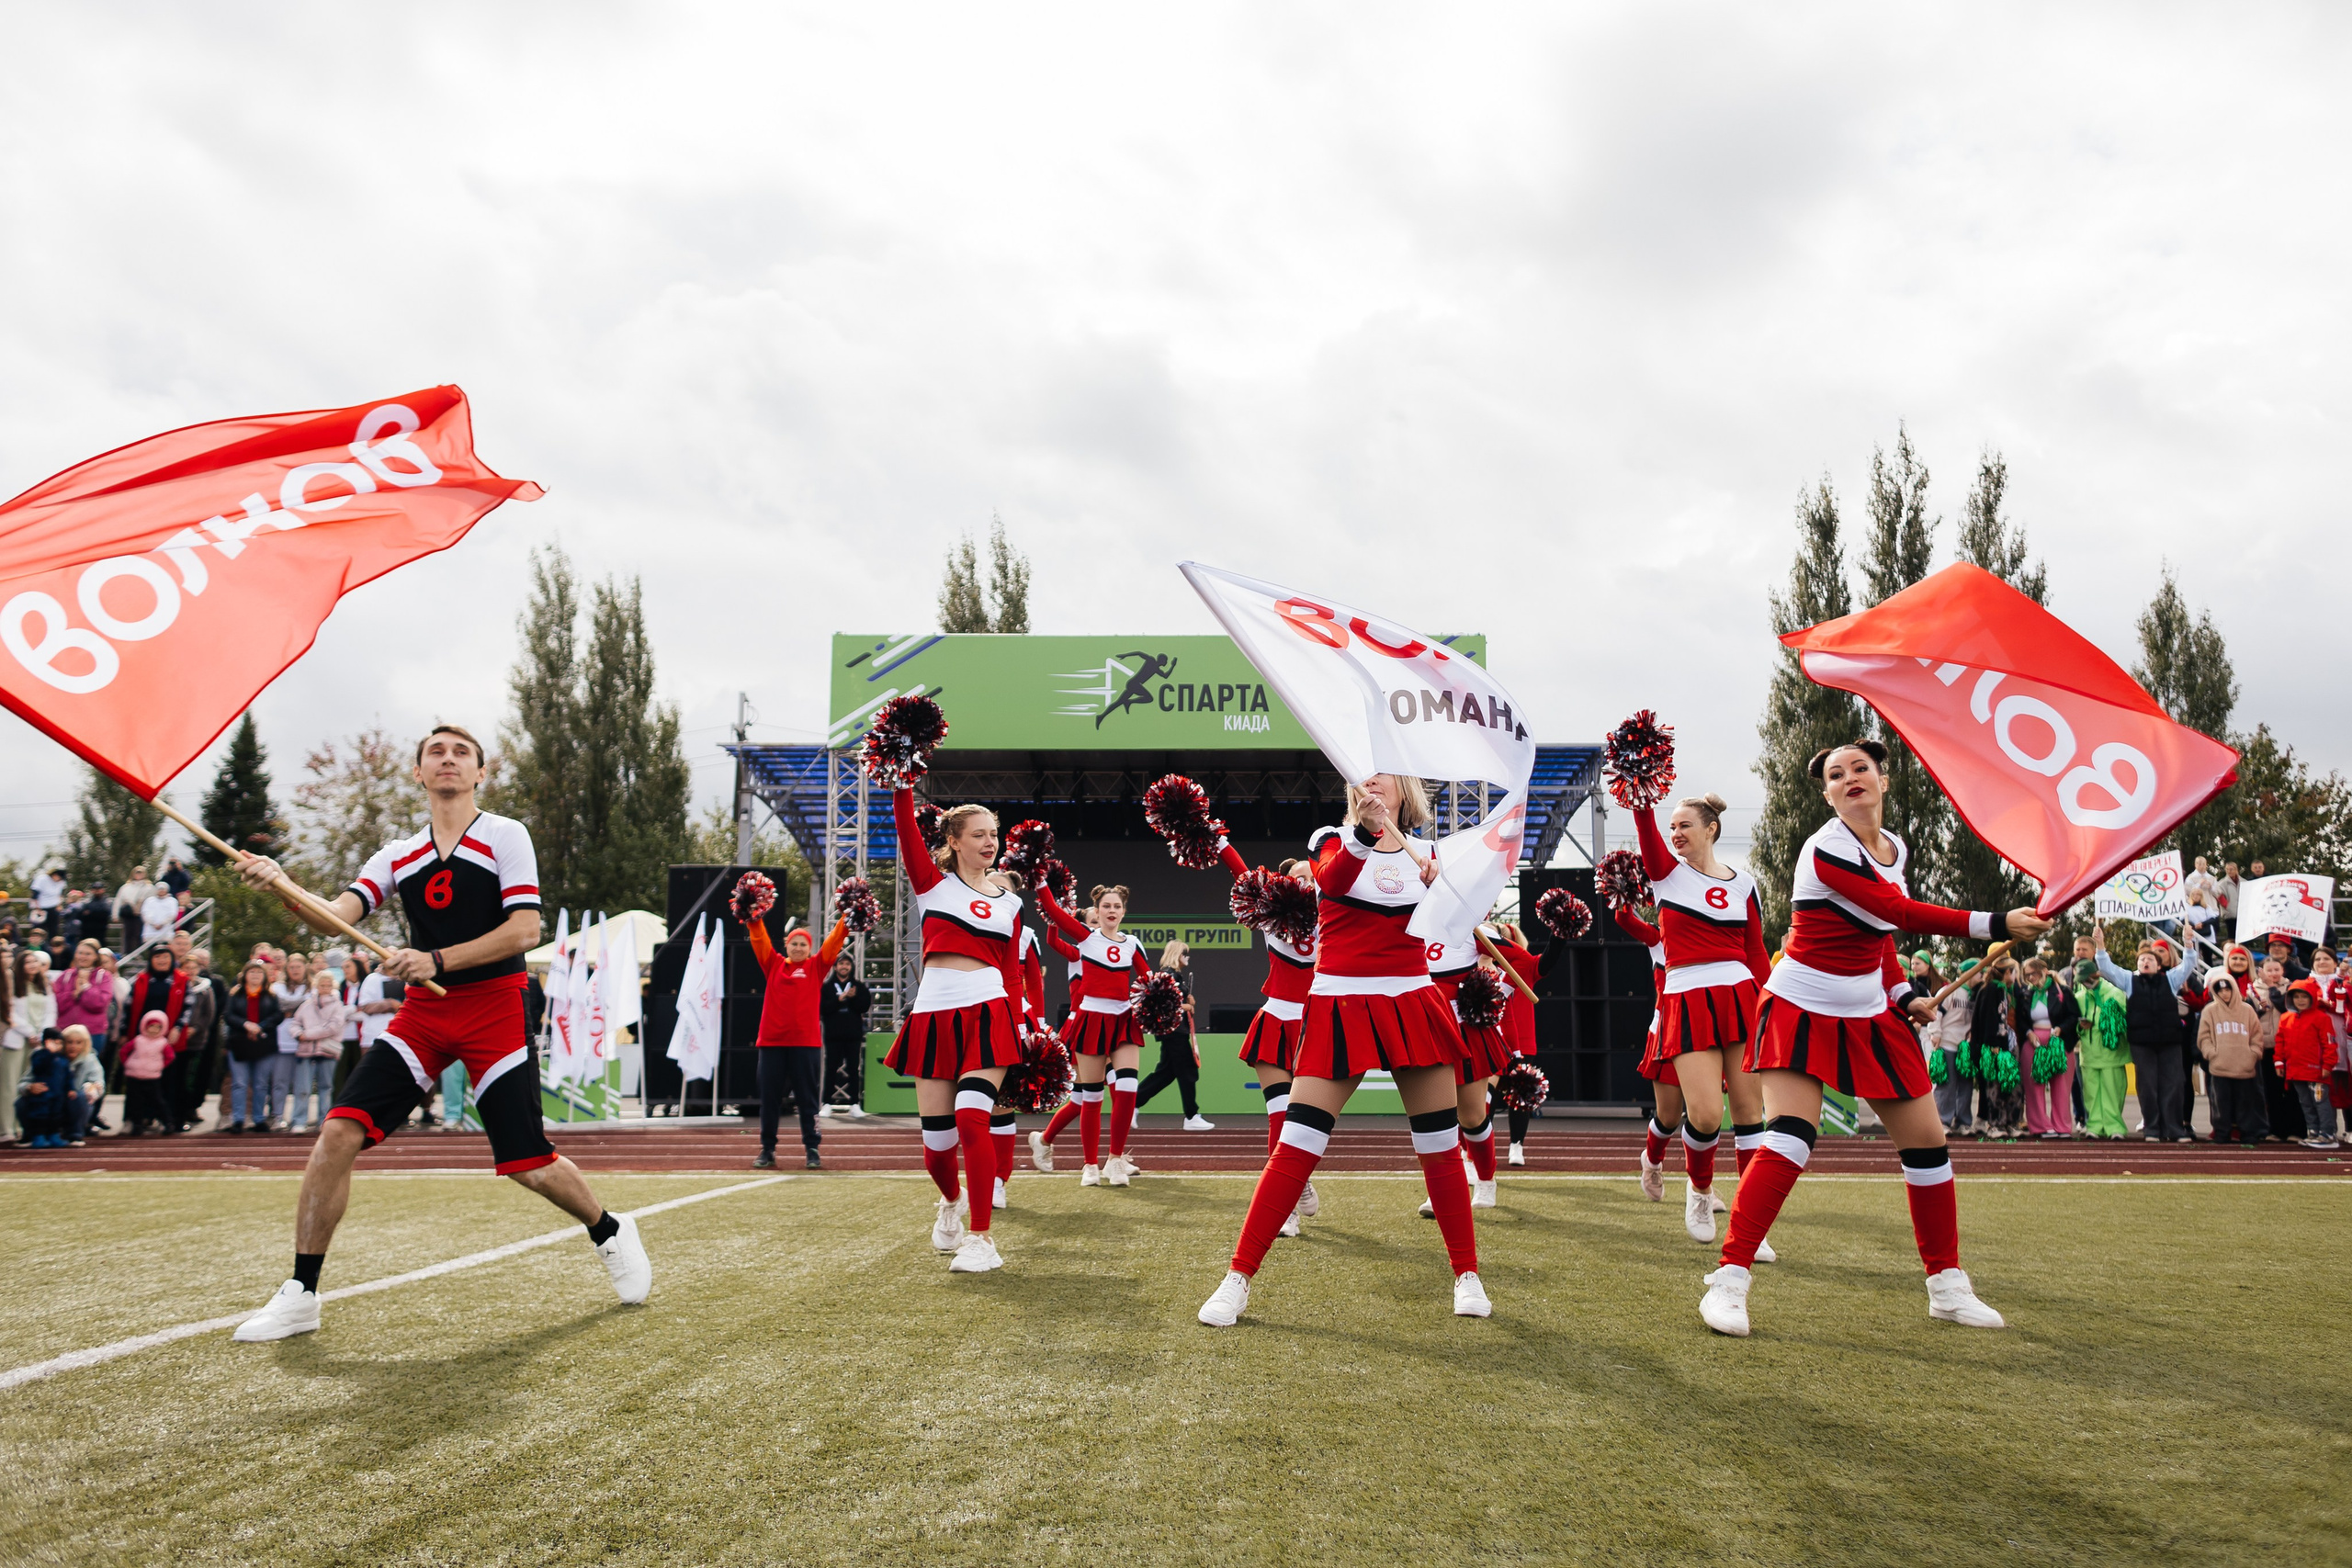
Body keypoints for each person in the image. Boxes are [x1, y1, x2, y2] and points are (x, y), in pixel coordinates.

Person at [228, 723, 650, 1342]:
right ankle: (301, 1292)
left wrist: (438, 959)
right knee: (338, 1131)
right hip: (424, 1014)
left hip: (496, 1006)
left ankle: (610, 1230)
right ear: (419, 773)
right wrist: (282, 884)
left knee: (528, 1162)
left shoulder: (506, 834)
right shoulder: (397, 853)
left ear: (481, 772)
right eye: (436, 753)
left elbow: (525, 930)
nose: (448, 760)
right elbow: (334, 918)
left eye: (461, 753)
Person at [1700, 739, 2048, 1337]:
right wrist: (1996, 922)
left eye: (1860, 767)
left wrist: (1901, 993)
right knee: (1791, 1137)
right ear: (1829, 794)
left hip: (1866, 1008)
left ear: (1883, 780)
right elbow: (1899, 909)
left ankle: (1946, 1283)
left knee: (1929, 1144)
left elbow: (1882, 934)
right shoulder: (1826, 848)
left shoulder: (1893, 847)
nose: (1850, 777)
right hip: (1800, 1004)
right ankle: (1730, 1278)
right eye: (1837, 774)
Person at [1199, 773, 1488, 1327]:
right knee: (1297, 1145)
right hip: (1340, 1002)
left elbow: (1452, 931)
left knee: (1438, 1146)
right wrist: (1364, 830)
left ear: (1404, 788)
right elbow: (1333, 883)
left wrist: (1443, 891)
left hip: (1411, 1000)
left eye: (1382, 776)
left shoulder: (1433, 852)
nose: (1371, 783)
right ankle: (1237, 1278)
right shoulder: (1331, 839)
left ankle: (1466, 1273)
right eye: (1363, 778)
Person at [882, 785, 1026, 1273]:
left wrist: (1022, 1024)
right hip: (935, 1014)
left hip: (989, 1012)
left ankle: (982, 1239)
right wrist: (902, 778)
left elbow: (1011, 972)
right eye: (979, 834)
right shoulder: (932, 885)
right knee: (937, 1147)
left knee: (971, 1118)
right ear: (954, 840)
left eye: (994, 834)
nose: (990, 842)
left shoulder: (1010, 902)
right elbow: (905, 829)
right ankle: (950, 1200)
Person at [1629, 790, 1771, 1245]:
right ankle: (1700, 1188)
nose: (1675, 834)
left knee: (1751, 1115)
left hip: (1741, 997)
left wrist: (1772, 1004)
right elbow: (1647, 834)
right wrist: (1639, 793)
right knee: (1707, 1115)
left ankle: (1751, 1222)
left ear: (1711, 828)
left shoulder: (1745, 884)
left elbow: (1755, 952)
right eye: (1671, 827)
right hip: (1687, 997)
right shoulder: (1667, 875)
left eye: (1684, 825)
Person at [1175, 850, 1318, 1235]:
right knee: (1279, 1117)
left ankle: (1299, 1178)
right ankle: (1287, 1205)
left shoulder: (1336, 919)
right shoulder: (1272, 919)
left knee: (1305, 1124)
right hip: (1276, 1019)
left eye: (1314, 877)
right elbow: (1241, 873)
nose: (1307, 883)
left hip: (1316, 1027)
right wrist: (1218, 839)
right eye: (1299, 877)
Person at [1034, 879, 1152, 1186]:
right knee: (1092, 1096)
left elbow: (1148, 980)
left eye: (1117, 906)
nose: (1111, 911)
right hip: (1091, 1019)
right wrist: (1041, 880)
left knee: (1127, 1089)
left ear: (1124, 911)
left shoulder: (1132, 944)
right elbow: (1051, 911)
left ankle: (1114, 1160)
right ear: (1097, 911)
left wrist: (1163, 1000)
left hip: (1123, 1019)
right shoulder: (1086, 938)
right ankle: (1089, 1165)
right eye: (1106, 906)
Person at [742, 912, 848, 1170]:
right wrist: (753, 916)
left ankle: (812, 1148)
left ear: (809, 949)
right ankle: (767, 1149)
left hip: (806, 1044)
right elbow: (759, 940)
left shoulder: (816, 966)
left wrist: (847, 917)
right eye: (794, 943)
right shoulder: (773, 963)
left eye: (803, 944)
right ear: (786, 946)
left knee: (807, 1099)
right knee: (769, 1099)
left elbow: (834, 943)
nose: (798, 948)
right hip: (771, 1044)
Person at [2093, 926, 2198, 1142]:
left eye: (2150, 960)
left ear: (2158, 965)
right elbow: (2107, 967)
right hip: (2142, 1044)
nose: (2145, 962)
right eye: (2142, 961)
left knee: (2175, 1084)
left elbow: (2188, 965)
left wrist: (2188, 943)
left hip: (2170, 1042)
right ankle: (2152, 1129)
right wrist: (2100, 945)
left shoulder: (2170, 980)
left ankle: (2175, 1130)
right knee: (2148, 1086)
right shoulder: (2129, 981)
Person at [1134, 940, 1213, 1131]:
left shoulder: (1174, 976)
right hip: (1174, 1032)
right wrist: (1185, 1006)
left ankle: (1131, 1105)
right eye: (1185, 953)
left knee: (1165, 1074)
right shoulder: (1169, 975)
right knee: (1187, 1071)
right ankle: (1192, 1116)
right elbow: (1158, 1003)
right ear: (1177, 954)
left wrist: (1186, 1001)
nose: (1188, 957)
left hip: (1175, 1031)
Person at [2197, 970, 2269, 1145]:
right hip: (2219, 1066)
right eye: (2220, 990)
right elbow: (2204, 1037)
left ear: (2234, 989)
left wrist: (2252, 1055)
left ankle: (2247, 1133)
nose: (2224, 993)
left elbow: (2256, 1036)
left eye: (2228, 990)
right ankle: (2222, 1133)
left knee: (2246, 1102)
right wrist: (2211, 1054)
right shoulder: (2210, 1010)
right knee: (2221, 1103)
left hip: (2244, 1067)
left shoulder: (2247, 1010)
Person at [2017, 956, 2080, 1139]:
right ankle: (2040, 1126)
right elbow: (2021, 1020)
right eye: (2027, 975)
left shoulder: (2063, 992)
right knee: (2034, 1084)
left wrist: (2060, 1029)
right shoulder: (2025, 994)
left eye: (2033, 974)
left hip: (2059, 1044)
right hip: (2033, 1043)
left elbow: (2073, 1016)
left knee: (2061, 1085)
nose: (2030, 978)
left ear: (2044, 971)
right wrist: (2028, 1032)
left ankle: (2062, 1126)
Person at [2275, 980, 2340, 1149]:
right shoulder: (2285, 1018)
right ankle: (2313, 1132)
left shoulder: (2321, 1018)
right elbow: (2280, 1041)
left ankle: (2327, 1134)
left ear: (2312, 997)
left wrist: (2327, 1065)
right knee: (2306, 1103)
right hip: (2295, 1070)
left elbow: (2329, 1044)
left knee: (2320, 1102)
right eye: (2296, 996)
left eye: (2304, 996)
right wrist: (2279, 1062)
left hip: (2317, 1071)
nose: (2300, 1000)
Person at [1966, 954, 2024, 1138]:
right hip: (1994, 1046)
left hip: (2007, 1045)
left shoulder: (2005, 990)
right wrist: (1993, 1045)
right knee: (1995, 1085)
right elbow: (1990, 1018)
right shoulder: (1992, 990)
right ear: (2008, 972)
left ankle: (2012, 1122)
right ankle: (1996, 1124)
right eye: (2014, 972)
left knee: (2012, 1084)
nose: (2015, 977)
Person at [221, 961, 283, 1134]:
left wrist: (261, 1026)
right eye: (252, 972)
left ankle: (259, 1119)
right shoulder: (235, 994)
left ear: (264, 976)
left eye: (258, 972)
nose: (255, 975)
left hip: (264, 1043)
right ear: (245, 975)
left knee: (261, 1084)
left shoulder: (271, 995)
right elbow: (228, 1015)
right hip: (240, 1043)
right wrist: (246, 1024)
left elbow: (277, 1015)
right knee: (240, 1083)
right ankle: (239, 1119)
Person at [2074, 959, 2132, 1138]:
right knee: (2091, 1092)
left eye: (2087, 979)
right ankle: (2095, 1126)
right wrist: (2080, 1027)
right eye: (2081, 980)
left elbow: (2124, 1021)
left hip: (2111, 1053)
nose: (2084, 983)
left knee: (2112, 1090)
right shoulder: (2079, 997)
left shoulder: (2114, 993)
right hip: (2089, 1053)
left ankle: (2115, 1127)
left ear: (2096, 975)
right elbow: (2073, 1022)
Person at [4, 947, 55, 1144]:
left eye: (35, 961)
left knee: (31, 1084)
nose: (32, 965)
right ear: (20, 965)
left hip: (38, 1043)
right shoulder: (12, 984)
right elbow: (9, 1012)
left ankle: (25, 1127)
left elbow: (51, 1011)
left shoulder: (45, 985)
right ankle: (7, 1127)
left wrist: (42, 1034)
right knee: (10, 1084)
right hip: (17, 1039)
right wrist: (29, 1032)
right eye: (27, 962)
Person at [289, 968, 348, 1135]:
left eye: (328, 985)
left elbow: (334, 1027)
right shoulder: (306, 1005)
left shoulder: (338, 1006)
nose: (325, 987)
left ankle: (325, 1120)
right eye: (322, 984)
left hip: (327, 1051)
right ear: (316, 985)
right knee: (302, 1087)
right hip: (306, 1051)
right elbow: (295, 1023)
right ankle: (299, 1120)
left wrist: (307, 1034)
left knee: (326, 1087)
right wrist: (298, 1034)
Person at [817, 953, 873, 1118]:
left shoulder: (858, 986)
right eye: (841, 964)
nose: (844, 967)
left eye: (847, 964)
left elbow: (864, 1006)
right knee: (831, 1069)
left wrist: (852, 998)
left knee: (854, 1070)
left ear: (851, 967)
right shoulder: (826, 987)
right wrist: (840, 999)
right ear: (835, 967)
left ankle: (854, 1104)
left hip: (853, 1035)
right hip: (833, 1035)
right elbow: (822, 1008)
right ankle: (827, 1103)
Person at [1926, 956, 1975, 1135]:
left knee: (1965, 1084)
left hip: (1965, 1047)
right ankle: (1943, 1121)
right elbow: (1935, 1011)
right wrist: (1936, 1033)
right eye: (1980, 973)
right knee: (1946, 1084)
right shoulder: (1950, 990)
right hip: (1947, 1042)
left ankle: (1963, 1121)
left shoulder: (1975, 994)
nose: (1983, 977)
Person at [175, 950, 220, 1132]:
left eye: (194, 967)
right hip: (176, 1039)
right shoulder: (176, 985)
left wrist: (195, 1029)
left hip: (196, 1041)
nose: (191, 970)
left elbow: (209, 1014)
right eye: (187, 967)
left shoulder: (205, 989)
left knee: (191, 1079)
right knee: (176, 1079)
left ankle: (188, 1111)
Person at [119, 1010, 177, 1135]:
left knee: (157, 1100)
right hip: (134, 1076)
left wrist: (158, 1066)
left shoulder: (162, 1043)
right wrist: (129, 1064)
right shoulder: (138, 1040)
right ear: (145, 1026)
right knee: (135, 1102)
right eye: (152, 1026)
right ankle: (137, 1124)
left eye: (158, 1027)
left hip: (152, 1077)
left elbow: (170, 1057)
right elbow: (124, 1051)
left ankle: (168, 1122)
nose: (154, 1030)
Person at [14, 1027, 72, 1146]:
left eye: (60, 1043)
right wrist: (48, 1053)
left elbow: (67, 1076)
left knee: (55, 1115)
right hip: (42, 1094)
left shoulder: (62, 1059)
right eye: (56, 1043)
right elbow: (38, 1067)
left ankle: (54, 1136)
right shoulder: (39, 1055)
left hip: (57, 1095)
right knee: (40, 1115)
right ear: (47, 1042)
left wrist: (70, 1089)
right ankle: (38, 1137)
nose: (59, 1046)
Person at [60, 1024, 103, 1145]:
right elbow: (26, 1081)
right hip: (55, 1100)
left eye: (78, 1042)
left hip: (76, 1102)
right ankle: (36, 1134)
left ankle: (75, 1133)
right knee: (23, 1101)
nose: (73, 1046)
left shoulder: (91, 1060)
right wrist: (30, 1087)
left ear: (85, 1044)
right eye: (69, 1042)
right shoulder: (52, 1058)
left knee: (81, 1097)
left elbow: (99, 1084)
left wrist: (93, 1088)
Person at [112, 865, 153, 955]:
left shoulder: (149, 887)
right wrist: (115, 915)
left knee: (139, 934)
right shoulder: (126, 887)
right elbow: (118, 901)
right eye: (137, 872)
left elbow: (152, 901)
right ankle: (126, 953)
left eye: (141, 872)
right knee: (127, 934)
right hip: (128, 914)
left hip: (142, 914)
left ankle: (138, 954)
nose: (138, 875)